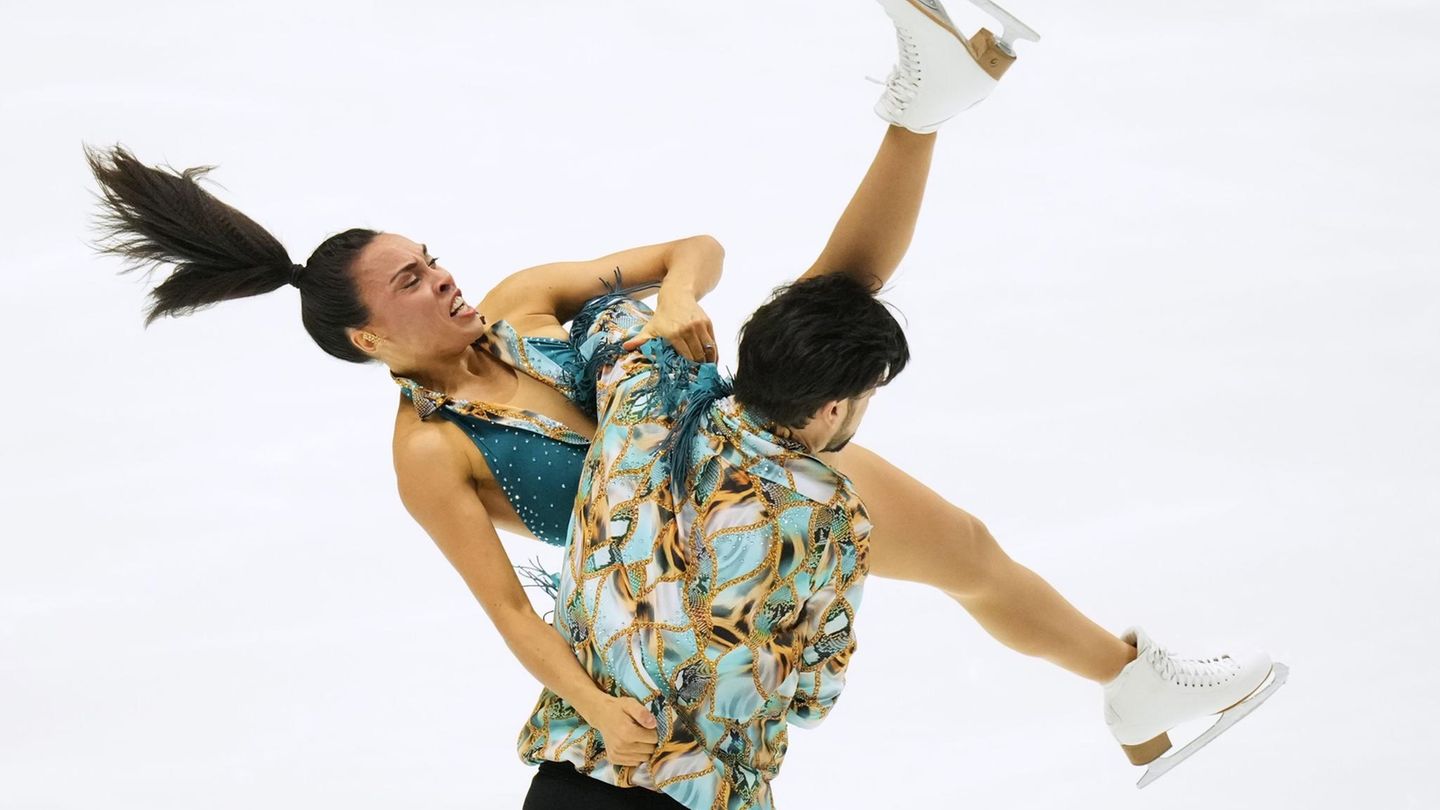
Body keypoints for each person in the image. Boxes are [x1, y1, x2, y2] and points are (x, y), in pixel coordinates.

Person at [84, 0, 1283, 791]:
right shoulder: (428, 454)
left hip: (720, 439)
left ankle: (1132, 690)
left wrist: (668, 305)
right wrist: (601, 716)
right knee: (878, 401)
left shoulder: (521, 302)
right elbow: (508, 609)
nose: (445, 279)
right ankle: (920, 115)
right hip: (704, 543)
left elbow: (691, 248)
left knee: (913, 463)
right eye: (412, 280)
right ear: (364, 335)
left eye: (433, 256)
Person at [517, 271, 897, 810]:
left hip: (569, 775)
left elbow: (594, 310)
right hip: (702, 791)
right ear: (833, 407)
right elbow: (815, 697)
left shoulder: (642, 389)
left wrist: (673, 300)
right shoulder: (832, 514)